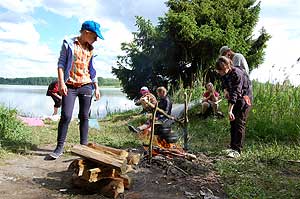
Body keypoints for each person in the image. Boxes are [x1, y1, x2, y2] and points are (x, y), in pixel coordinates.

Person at [48, 20, 103, 160]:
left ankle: (83, 147)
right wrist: (61, 83)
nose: (96, 40)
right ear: (86, 33)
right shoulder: (69, 43)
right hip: (70, 86)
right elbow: (61, 64)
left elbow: (92, 70)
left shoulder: (91, 49)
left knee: (84, 116)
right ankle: (59, 147)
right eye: (95, 36)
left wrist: (96, 87)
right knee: (66, 116)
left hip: (86, 85)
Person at [215, 56, 252, 158]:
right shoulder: (225, 73)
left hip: (243, 99)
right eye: (219, 71)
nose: (220, 73)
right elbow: (224, 83)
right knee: (232, 123)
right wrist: (226, 90)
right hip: (234, 98)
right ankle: (232, 147)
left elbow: (236, 93)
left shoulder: (237, 73)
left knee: (239, 123)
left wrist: (230, 110)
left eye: (221, 70)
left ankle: (237, 150)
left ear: (227, 66)